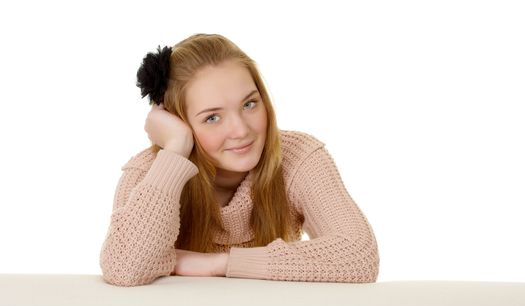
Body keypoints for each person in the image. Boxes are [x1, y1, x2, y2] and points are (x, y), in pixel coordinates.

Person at [99, 33, 380, 287]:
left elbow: (359, 256)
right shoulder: (150, 173)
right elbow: (125, 268)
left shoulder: (297, 157)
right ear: (178, 122)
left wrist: (217, 264)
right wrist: (175, 149)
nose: (241, 130)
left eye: (249, 104)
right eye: (212, 117)